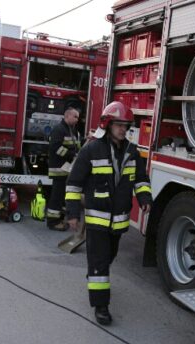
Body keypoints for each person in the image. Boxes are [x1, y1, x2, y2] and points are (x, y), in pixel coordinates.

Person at [65, 101, 152, 325]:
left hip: (118, 221)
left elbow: (141, 180)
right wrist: (73, 213)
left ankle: (95, 273)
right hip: (96, 219)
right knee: (100, 262)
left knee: (109, 256)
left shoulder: (133, 153)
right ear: (108, 124)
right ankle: (101, 306)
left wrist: (144, 198)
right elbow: (74, 184)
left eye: (126, 125)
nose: (123, 129)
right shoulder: (91, 150)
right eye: (119, 124)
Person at [46, 107, 82, 231]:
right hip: (59, 169)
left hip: (67, 170)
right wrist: (72, 155)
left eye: (78, 117)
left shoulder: (72, 130)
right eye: (75, 116)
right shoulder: (59, 129)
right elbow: (55, 148)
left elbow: (76, 146)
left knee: (62, 197)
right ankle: (53, 222)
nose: (77, 119)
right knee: (57, 197)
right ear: (67, 116)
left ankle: (60, 219)